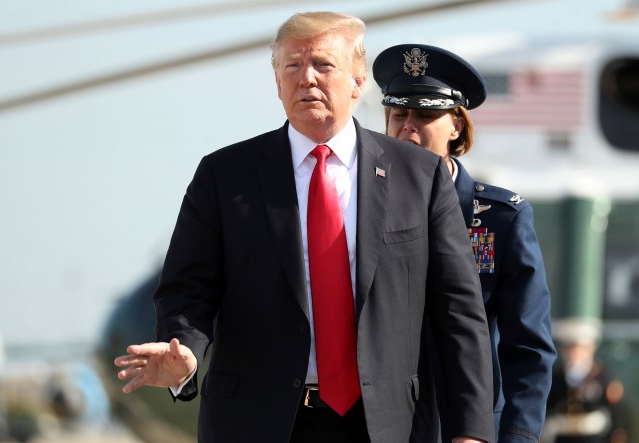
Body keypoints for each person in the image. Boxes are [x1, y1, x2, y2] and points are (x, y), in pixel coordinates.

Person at [113, 12, 494, 443]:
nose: (306, 79)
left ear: (357, 81)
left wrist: (471, 431)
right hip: (257, 421)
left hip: (388, 424)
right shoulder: (224, 176)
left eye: (323, 65)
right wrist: (184, 352)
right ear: (277, 82)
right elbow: (187, 288)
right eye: (292, 66)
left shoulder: (420, 177)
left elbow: (459, 311)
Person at [372, 44, 558, 443]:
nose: (408, 127)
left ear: (456, 126)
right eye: (398, 114)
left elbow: (529, 347)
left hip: (467, 429)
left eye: (425, 115)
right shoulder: (361, 209)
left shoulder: (502, 218)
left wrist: (518, 436)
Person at [542, 319, 626, 443]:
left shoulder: (602, 377)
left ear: (591, 349)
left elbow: (616, 414)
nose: (575, 353)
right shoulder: (556, 376)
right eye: (570, 349)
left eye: (580, 349)